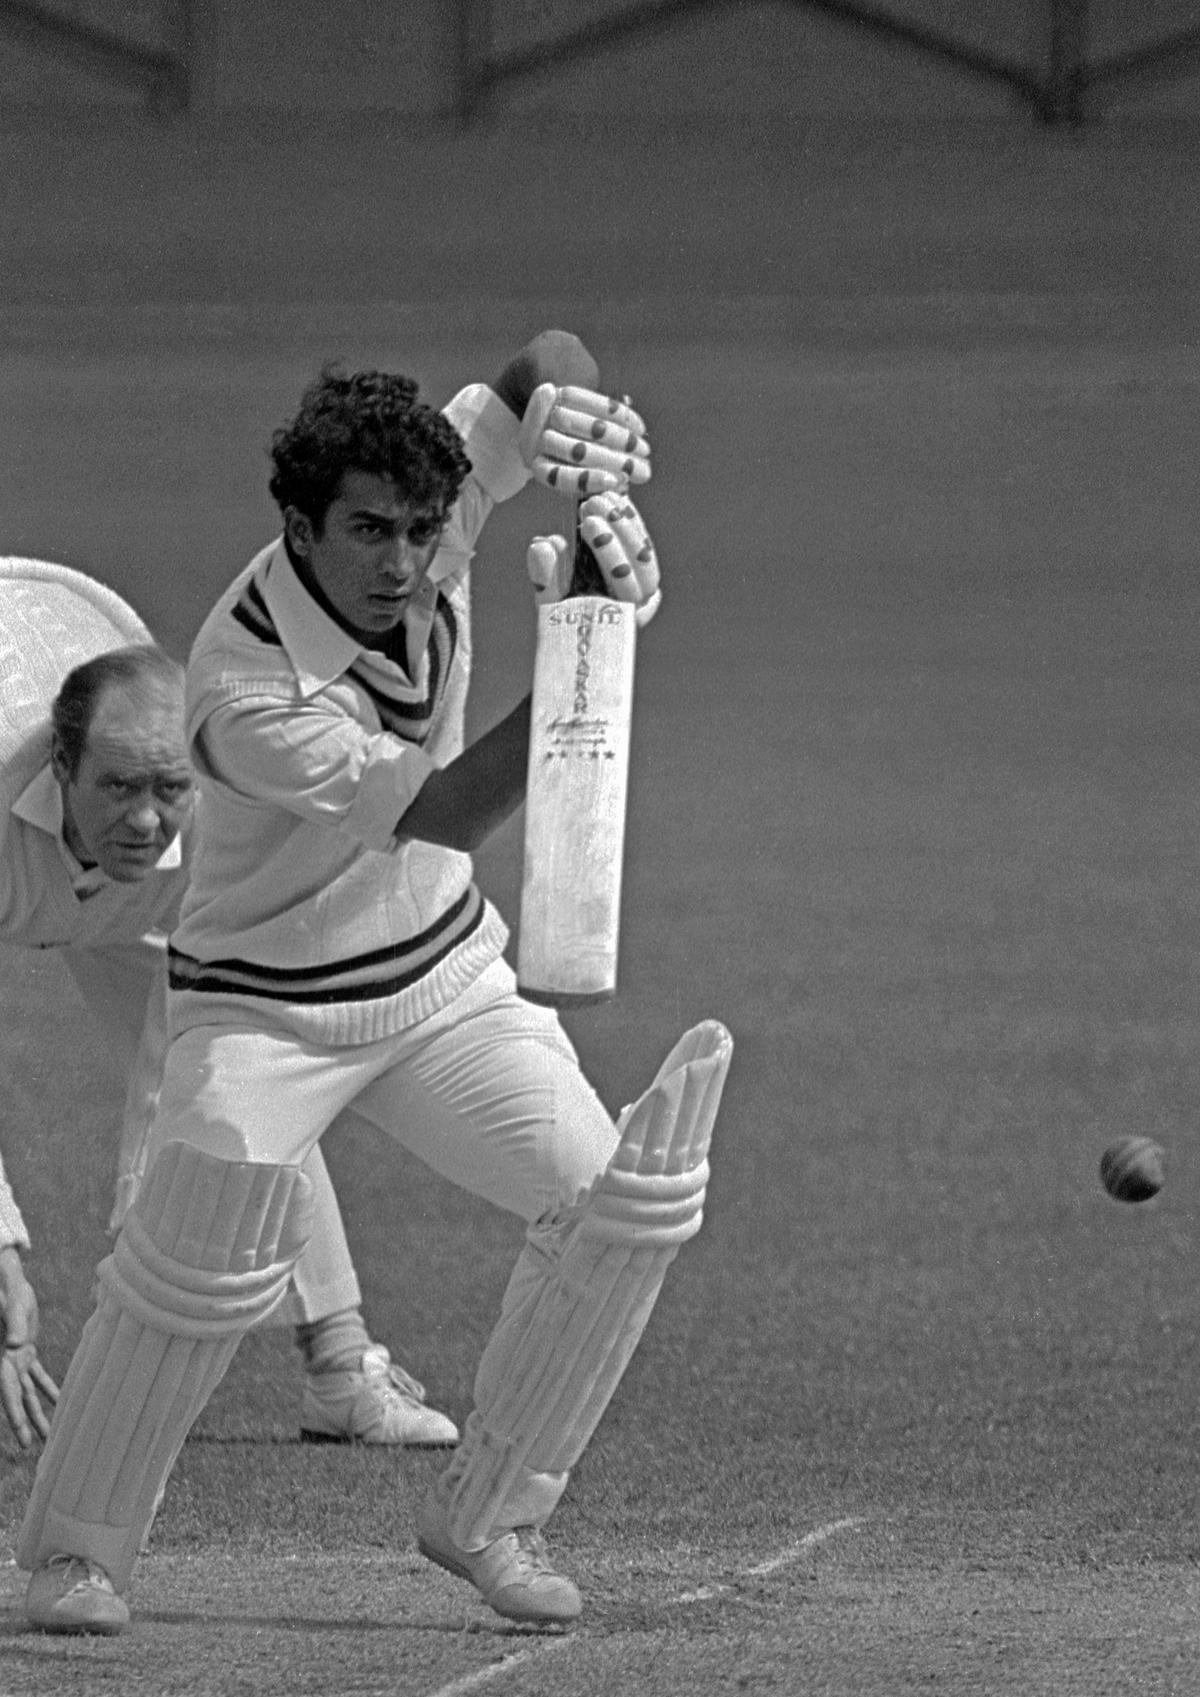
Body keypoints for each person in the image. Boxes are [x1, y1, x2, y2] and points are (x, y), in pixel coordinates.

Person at [18, 330, 732, 1635]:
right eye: (368, 534)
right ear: (299, 525)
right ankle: (77, 1555)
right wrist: (592, 635)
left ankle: (493, 1517)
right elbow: (452, 809)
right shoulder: (244, 688)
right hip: (263, 1008)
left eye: (420, 528)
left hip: (442, 983)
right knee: (193, 1255)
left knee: (614, 1204)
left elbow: (536, 361)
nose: (404, 562)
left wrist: (579, 434)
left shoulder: (433, 502)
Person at [0, 615, 457, 1455]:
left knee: (254, 1059)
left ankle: (341, 1365)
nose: (145, 820)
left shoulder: (229, 819)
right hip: (21, 873)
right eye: (118, 787)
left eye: (169, 788)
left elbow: (221, 1063)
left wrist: (151, 1241)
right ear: (61, 765)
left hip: (159, 916)